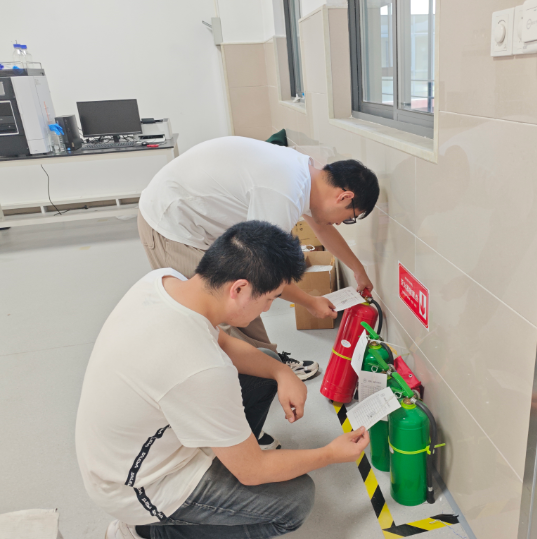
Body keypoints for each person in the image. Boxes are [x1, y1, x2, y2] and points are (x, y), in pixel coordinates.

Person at [75, 221, 370, 539]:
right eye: (270, 299)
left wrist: (282, 371)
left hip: (129, 448)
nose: (268, 308)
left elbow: (223, 341)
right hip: (136, 486)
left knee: (265, 363)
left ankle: (231, 449)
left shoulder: (163, 283)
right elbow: (253, 471)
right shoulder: (201, 369)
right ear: (239, 289)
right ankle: (143, 531)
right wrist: (329, 454)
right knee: (295, 501)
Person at [137, 136, 380, 383]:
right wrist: (310, 302)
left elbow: (322, 227)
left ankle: (268, 363)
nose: (340, 223)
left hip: (194, 217)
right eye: (349, 218)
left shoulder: (308, 176)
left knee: (246, 299)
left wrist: (358, 270)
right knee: (218, 308)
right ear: (344, 197)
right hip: (171, 223)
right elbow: (265, 269)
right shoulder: (285, 193)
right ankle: (249, 378)